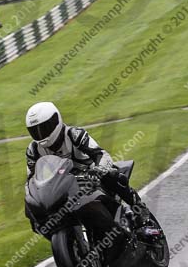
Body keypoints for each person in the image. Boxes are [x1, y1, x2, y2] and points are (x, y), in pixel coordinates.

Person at [25, 101, 155, 240]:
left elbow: (101, 154)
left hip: (91, 176)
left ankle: (141, 212)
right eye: (36, 130)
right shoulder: (33, 150)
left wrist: (99, 169)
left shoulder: (74, 134)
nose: (41, 134)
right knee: (37, 209)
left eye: (45, 127)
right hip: (63, 187)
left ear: (57, 120)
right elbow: (32, 181)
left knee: (113, 176)